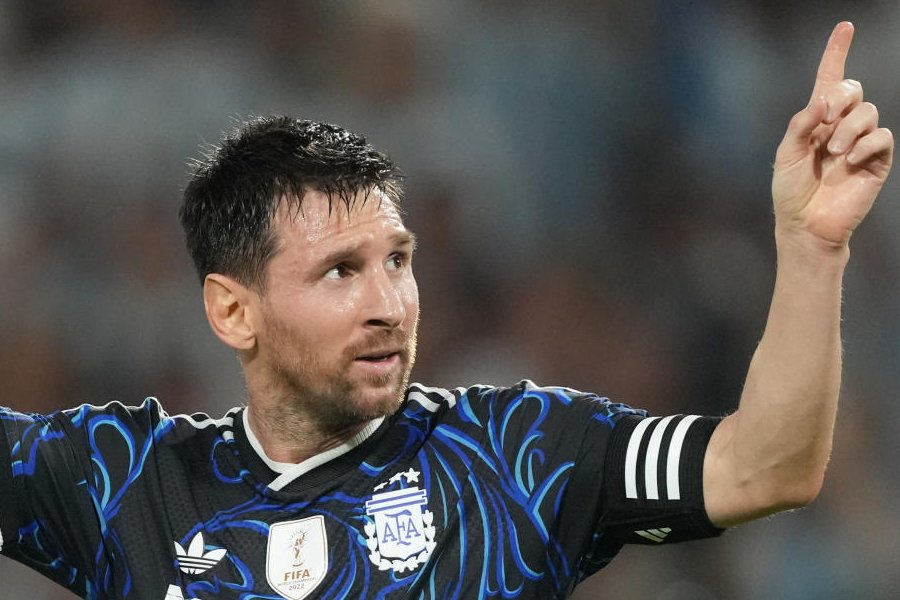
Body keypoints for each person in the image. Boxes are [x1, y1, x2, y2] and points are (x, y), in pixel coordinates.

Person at [0, 21, 892, 600]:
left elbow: (765, 469)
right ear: (234, 313)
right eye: (341, 273)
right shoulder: (122, 481)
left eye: (400, 261)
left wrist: (813, 252)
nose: (390, 303)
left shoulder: (516, 456)